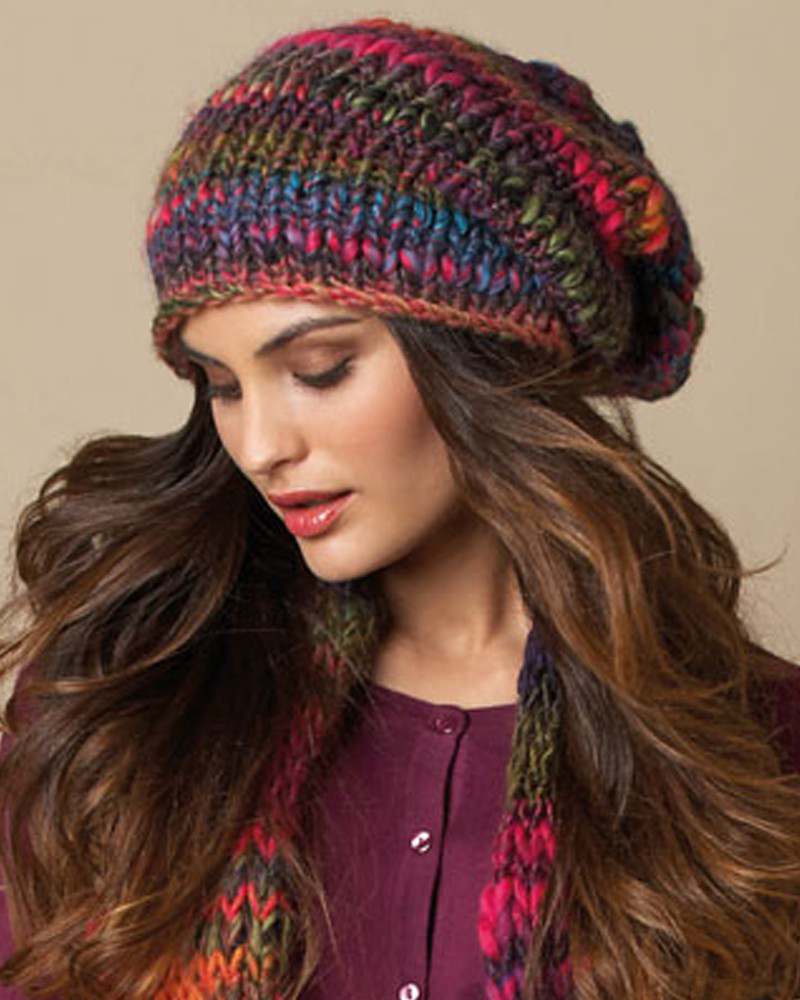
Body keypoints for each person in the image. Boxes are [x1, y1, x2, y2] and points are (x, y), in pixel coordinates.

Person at [0, 14, 798, 1000]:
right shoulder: (120, 707)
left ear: (486, 357)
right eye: (221, 385)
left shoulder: (751, 746)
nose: (260, 445)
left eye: (319, 368)